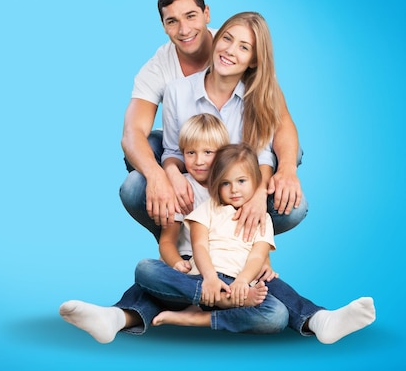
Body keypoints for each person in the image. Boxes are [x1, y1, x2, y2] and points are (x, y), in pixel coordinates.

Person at [60, 114, 289, 343]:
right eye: (191, 153)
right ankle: (114, 318)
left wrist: (263, 263)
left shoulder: (238, 189)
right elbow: (168, 241)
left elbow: (254, 240)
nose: (199, 161)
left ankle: (128, 316)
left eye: (208, 153)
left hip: (231, 277)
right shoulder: (181, 188)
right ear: (182, 154)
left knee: (276, 311)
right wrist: (175, 263)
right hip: (191, 273)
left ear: (222, 155)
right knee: (146, 269)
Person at [120, 0, 305, 242]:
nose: (184, 29)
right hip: (191, 157)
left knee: (287, 152)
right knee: (146, 150)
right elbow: (133, 134)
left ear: (207, 13)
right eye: (172, 21)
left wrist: (281, 174)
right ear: (163, 26)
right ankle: (176, 236)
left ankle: (239, 239)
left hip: (238, 163)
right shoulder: (167, 77)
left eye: (191, 16)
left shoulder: (239, 47)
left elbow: (280, 126)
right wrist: (162, 176)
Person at [136, 143, 376, 345]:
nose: (234, 190)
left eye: (241, 181)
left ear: (255, 182)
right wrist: (209, 278)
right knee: (145, 268)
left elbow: (256, 256)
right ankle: (221, 301)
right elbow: (199, 246)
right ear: (217, 184)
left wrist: (241, 281)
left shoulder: (262, 218)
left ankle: (318, 320)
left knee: (276, 315)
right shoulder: (209, 209)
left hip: (243, 286)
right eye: (226, 183)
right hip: (204, 282)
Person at [160, 11, 307, 243]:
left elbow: (263, 156)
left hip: (236, 192)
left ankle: (242, 242)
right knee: (135, 186)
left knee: (295, 206)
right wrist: (172, 174)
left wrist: (259, 196)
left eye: (244, 47)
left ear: (255, 60)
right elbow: (171, 151)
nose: (229, 50)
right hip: (195, 190)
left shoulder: (258, 97)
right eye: (227, 39)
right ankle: (175, 238)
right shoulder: (177, 91)